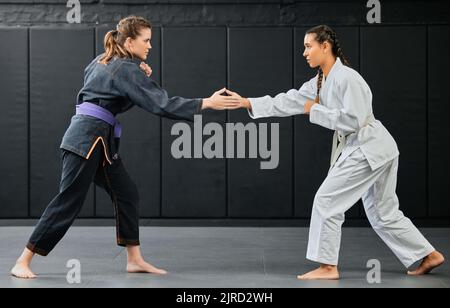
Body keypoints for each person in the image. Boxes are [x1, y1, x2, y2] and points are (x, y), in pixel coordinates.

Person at [11, 16, 240, 279]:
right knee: (69, 200)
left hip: (99, 140)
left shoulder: (102, 60)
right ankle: (23, 260)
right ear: (130, 41)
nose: (150, 46)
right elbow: (160, 103)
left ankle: (134, 259)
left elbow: (110, 99)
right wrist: (206, 103)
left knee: (127, 193)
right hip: (87, 140)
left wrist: (136, 76)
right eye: (146, 41)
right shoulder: (125, 69)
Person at [225, 25, 445, 280]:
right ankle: (429, 255)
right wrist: (247, 102)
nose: (304, 52)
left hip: (367, 146)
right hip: (376, 149)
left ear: (325, 46)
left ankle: (328, 266)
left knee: (327, 200)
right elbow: (289, 100)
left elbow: (354, 120)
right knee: (383, 213)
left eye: (309, 46)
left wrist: (314, 110)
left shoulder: (347, 77)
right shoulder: (320, 81)